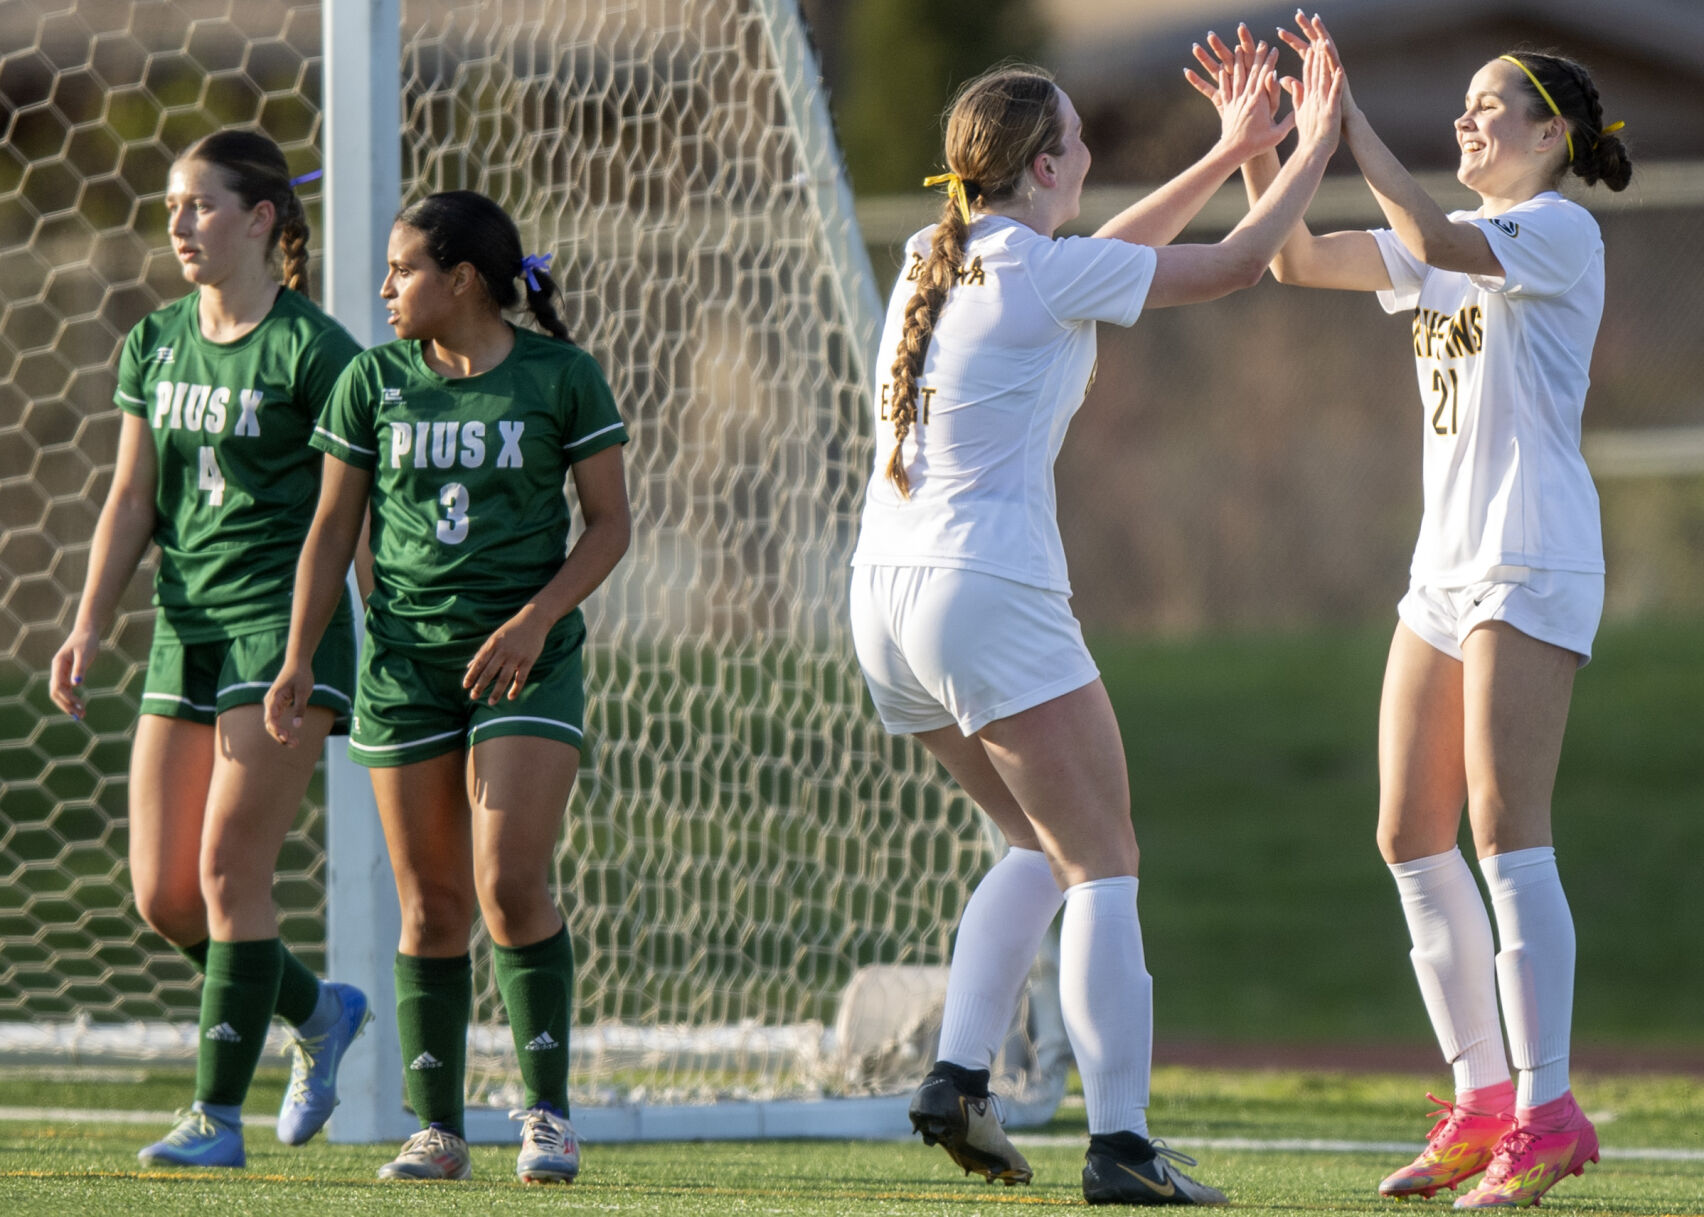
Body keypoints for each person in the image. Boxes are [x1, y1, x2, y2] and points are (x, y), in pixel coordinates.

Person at [848, 44, 1343, 1207]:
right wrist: (1309, 145)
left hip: (881, 596)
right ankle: (1122, 1142)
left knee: (1039, 846)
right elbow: (1226, 268)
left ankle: (958, 1077)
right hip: (987, 592)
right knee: (1105, 861)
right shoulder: (1038, 269)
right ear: (1047, 163)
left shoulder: (939, 250)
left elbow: (1108, 256)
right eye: (1080, 142)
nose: (1092, 159)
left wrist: (1231, 149)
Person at [1195, 14, 1631, 1209]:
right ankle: (1482, 1103)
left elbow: (1434, 231)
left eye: (1490, 108)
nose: (1468, 122)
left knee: (1506, 827)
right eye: (1467, 107)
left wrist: (1350, 128)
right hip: (1444, 565)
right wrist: (1265, 142)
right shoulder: (1446, 244)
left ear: (1549, 132)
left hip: (1531, 554)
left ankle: (1547, 1112)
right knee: (1406, 829)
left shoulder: (1556, 229)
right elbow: (1291, 261)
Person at [264, 190, 630, 1184]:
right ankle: (438, 1126)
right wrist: (299, 654)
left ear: (460, 279)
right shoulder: (370, 383)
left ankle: (547, 1113)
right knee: (429, 904)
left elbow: (608, 526)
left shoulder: (562, 377)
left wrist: (534, 618)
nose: (383, 287)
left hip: (527, 659)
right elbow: (333, 531)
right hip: (405, 667)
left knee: (509, 881)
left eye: (401, 269)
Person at [47, 130, 370, 1167]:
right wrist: (90, 619)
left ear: (262, 219)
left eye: (201, 204)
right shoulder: (154, 341)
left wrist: (367, 641)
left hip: (280, 634)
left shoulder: (319, 352)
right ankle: (318, 1012)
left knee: (233, 869)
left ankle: (214, 1117)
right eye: (173, 205)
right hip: (184, 629)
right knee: (164, 894)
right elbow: (133, 496)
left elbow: (353, 517)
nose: (180, 223)